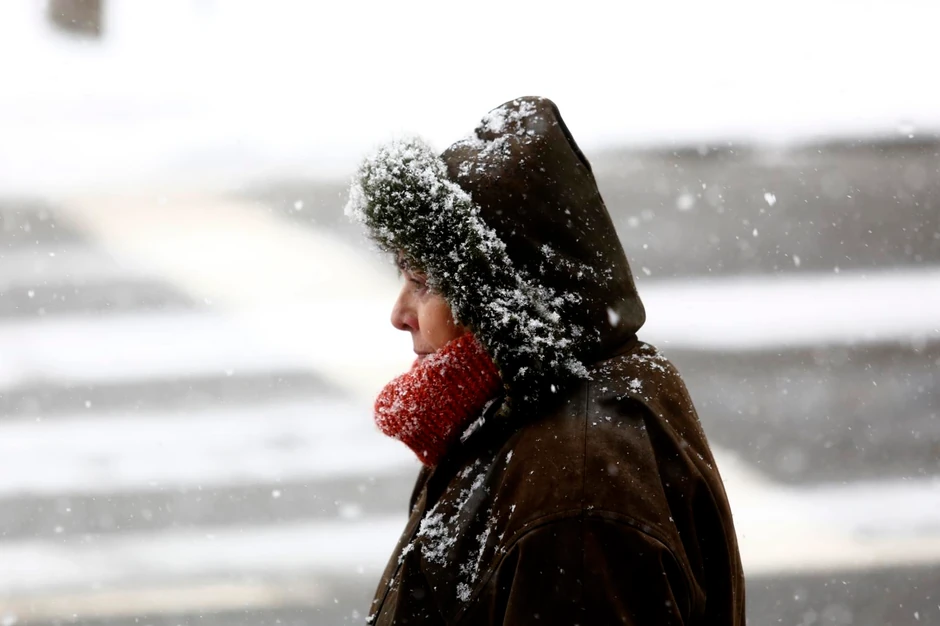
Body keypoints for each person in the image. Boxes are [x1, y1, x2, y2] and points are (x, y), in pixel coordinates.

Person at [345, 96, 745, 625]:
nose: (400, 314)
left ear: (496, 297)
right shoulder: (518, 410)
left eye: (422, 282)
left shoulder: (576, 487)